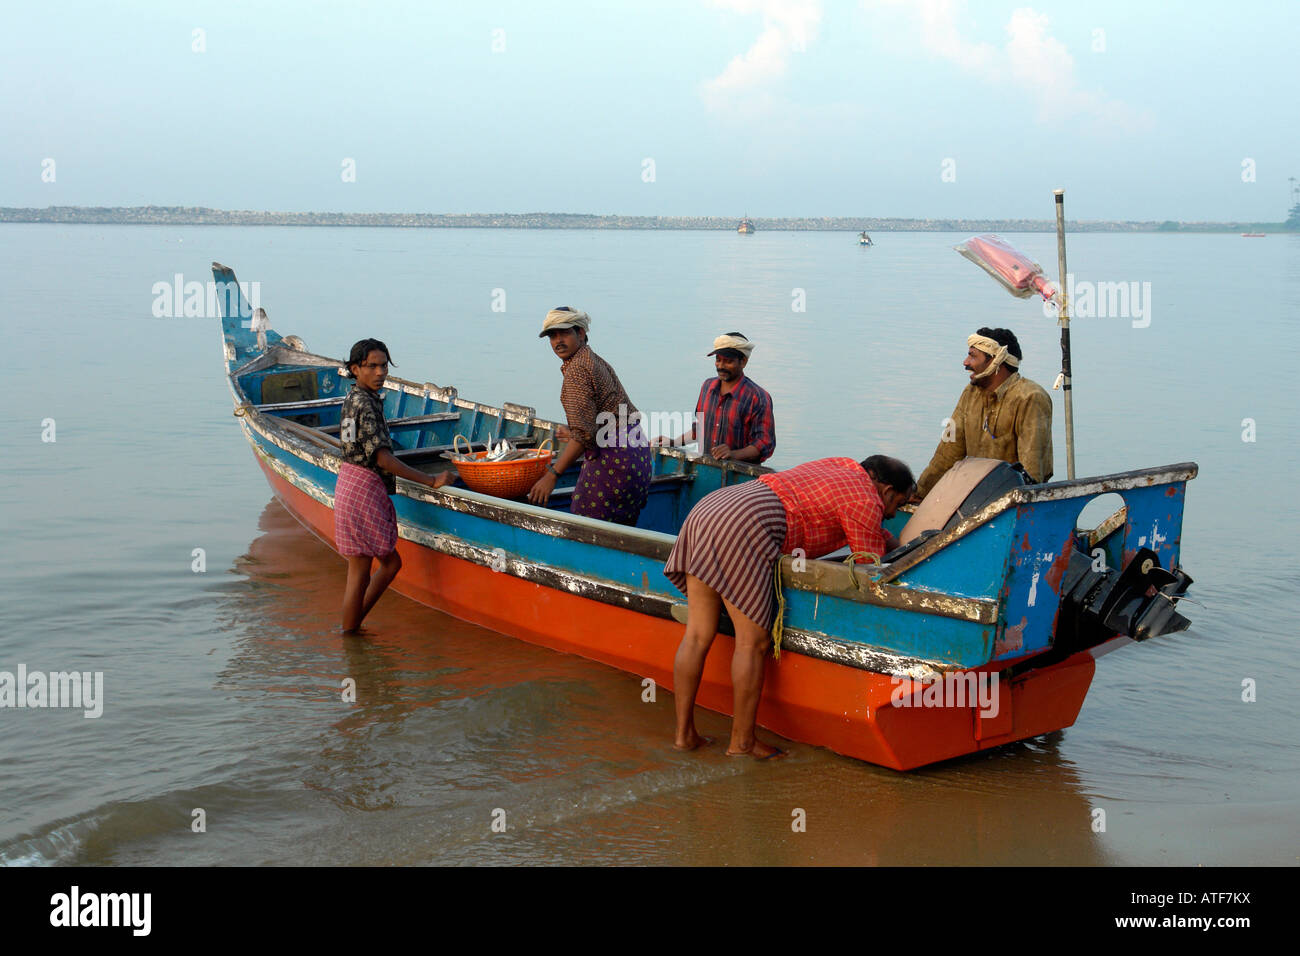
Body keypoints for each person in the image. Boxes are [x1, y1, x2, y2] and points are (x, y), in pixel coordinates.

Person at [665, 455, 915, 758]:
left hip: (711, 508)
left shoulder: (841, 466)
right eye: (897, 505)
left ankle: (684, 736)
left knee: (696, 635)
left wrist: (895, 542)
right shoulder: (865, 499)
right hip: (745, 524)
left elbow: (871, 528)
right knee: (752, 643)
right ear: (886, 491)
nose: (891, 514)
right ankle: (742, 744)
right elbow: (870, 565)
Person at [336, 338, 454, 634]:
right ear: (355, 369)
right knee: (381, 566)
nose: (380, 372)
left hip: (349, 479)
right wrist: (431, 480)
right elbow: (383, 459)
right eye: (371, 366)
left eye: (384, 366)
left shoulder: (353, 398)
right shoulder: (366, 403)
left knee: (360, 570)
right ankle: (351, 631)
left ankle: (351, 631)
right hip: (364, 486)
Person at [526, 307, 651, 526]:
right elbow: (604, 417)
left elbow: (584, 435)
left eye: (564, 333)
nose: (558, 341)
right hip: (638, 456)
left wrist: (552, 474)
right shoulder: (594, 359)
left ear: (581, 333)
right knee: (619, 532)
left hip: (615, 461)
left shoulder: (577, 370)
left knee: (587, 527)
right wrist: (575, 433)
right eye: (552, 336)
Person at [914, 327, 1053, 500]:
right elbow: (947, 453)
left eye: (973, 356)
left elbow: (1031, 472)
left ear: (996, 361)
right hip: (975, 496)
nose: (966, 362)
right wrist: (919, 493)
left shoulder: (1030, 397)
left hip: (1010, 503)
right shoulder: (970, 393)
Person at [653, 332, 775, 463]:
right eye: (718, 360)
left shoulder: (758, 398)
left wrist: (733, 454)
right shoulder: (707, 387)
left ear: (743, 362)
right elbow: (700, 429)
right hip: (706, 469)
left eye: (728, 361)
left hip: (740, 476)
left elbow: (764, 444)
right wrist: (673, 442)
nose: (721, 366)